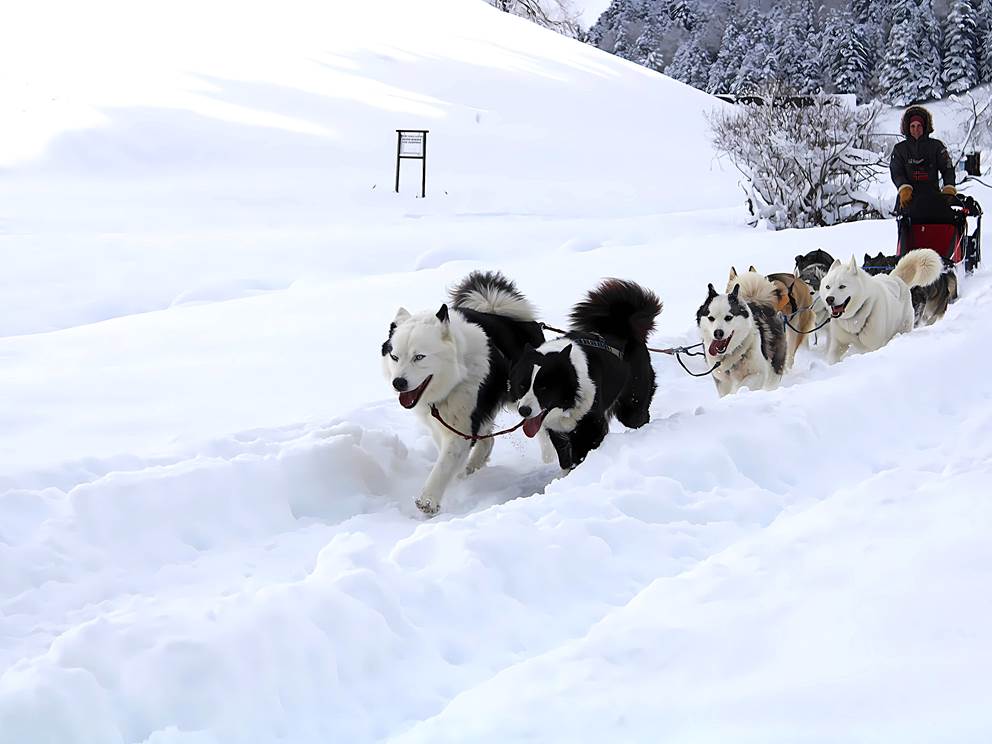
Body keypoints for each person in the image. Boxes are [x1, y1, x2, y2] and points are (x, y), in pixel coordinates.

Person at [890, 105, 957, 230]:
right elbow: (896, 171)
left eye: (919, 126)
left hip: (934, 201)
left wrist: (949, 187)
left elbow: (948, 168)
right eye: (912, 126)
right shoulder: (900, 149)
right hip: (908, 202)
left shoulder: (936, 146)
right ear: (907, 128)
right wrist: (903, 187)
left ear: (925, 127)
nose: (916, 129)